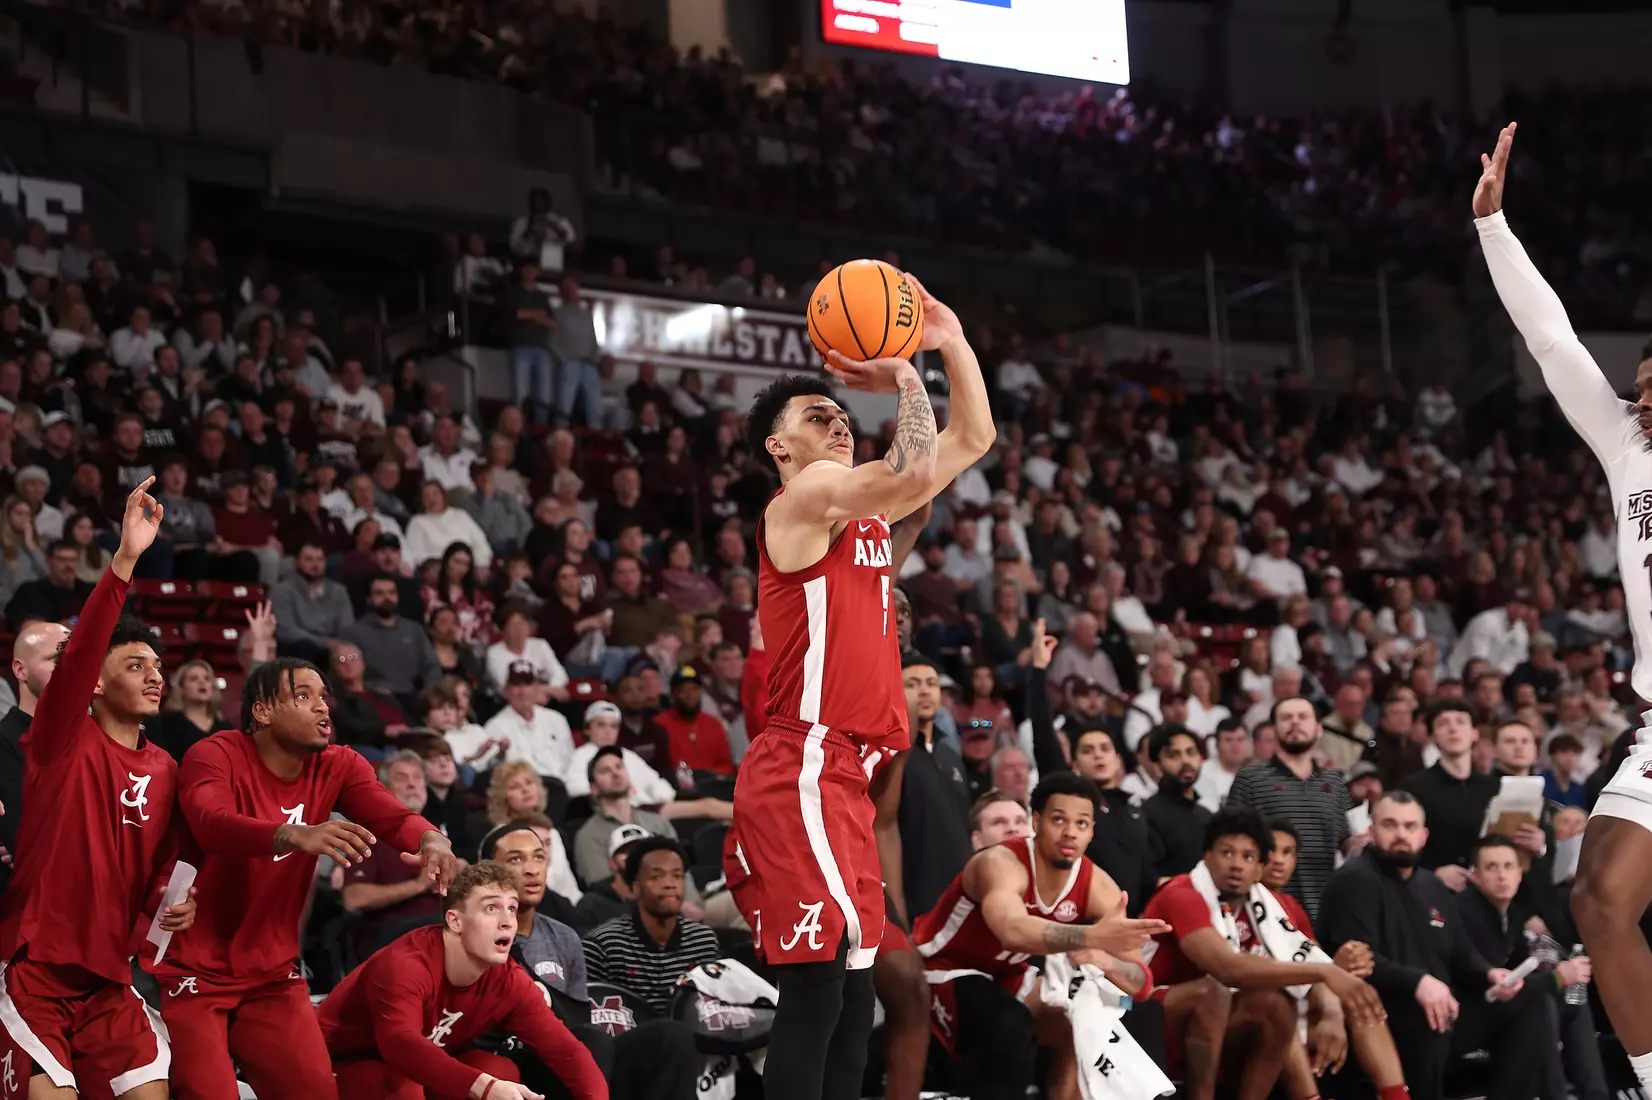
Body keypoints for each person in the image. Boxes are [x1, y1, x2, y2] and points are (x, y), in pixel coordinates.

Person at [725, 279, 994, 1100]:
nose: (836, 421)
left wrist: (947, 337)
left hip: (845, 773)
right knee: (819, 984)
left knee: (852, 989)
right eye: (816, 417)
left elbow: (974, 436)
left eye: (839, 414)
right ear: (779, 449)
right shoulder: (800, 499)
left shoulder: (864, 520)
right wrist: (907, 374)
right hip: (801, 762)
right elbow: (914, 467)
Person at [1476, 121, 1652, 1097]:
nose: (1639, 395)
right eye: (1637, 385)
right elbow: (1551, 341)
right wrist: (1495, 227)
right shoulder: (1629, 451)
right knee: (1597, 894)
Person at [157, 657, 461, 1100]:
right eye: (303, 696)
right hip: (193, 965)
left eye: (324, 697)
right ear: (262, 711)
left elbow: (391, 815)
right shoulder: (214, 753)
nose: (322, 708)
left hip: (272, 970)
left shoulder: (339, 765)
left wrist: (432, 839)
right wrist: (293, 834)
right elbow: (211, 822)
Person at [0, 478, 198, 1099]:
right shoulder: (61, 738)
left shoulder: (167, 767)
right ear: (91, 683)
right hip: (37, 969)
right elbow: (82, 651)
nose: (154, 676)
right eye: (134, 665)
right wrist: (125, 562)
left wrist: (173, 903)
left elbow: (161, 870)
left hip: (111, 979)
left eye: (158, 667)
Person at [912, 772, 1166, 1100]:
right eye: (1059, 820)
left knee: (1079, 1027)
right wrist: (1089, 936)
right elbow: (1011, 931)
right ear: (1036, 821)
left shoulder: (1098, 885)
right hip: (939, 966)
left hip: (1007, 974)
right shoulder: (1001, 862)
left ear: (1091, 831)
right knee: (1008, 1022)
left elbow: (1141, 983)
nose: (1070, 832)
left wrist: (1106, 961)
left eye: (1081, 823)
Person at [1318, 792, 1555, 1100]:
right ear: (1371, 831)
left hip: (1440, 1007)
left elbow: (1459, 952)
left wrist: (1489, 975)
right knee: (1425, 1018)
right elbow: (1357, 962)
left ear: (1423, 835)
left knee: (1533, 1004)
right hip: (1380, 1014)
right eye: (1390, 825)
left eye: (1410, 826)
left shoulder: (1431, 885)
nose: (1401, 834)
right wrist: (1419, 982)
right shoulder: (1353, 882)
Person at [1143, 809, 1388, 1100]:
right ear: (1207, 857)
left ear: (1260, 867)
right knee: (1214, 993)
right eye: (1227, 853)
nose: (1236, 865)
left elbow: (1305, 960)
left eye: (1247, 857)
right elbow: (1227, 968)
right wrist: (1328, 971)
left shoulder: (1264, 905)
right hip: (1150, 1012)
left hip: (1215, 1022)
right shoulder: (1183, 893)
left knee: (1278, 1003)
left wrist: (1332, 1007)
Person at [320, 861, 607, 1100]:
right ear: (455, 921)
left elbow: (566, 1051)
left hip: (420, 1068)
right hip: (337, 1062)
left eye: (511, 908)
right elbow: (399, 1044)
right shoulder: (406, 964)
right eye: (491, 908)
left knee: (499, 1069)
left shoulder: (509, 979)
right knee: (401, 1087)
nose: (507, 921)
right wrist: (485, 1087)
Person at [1456, 835, 1603, 1100]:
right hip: (1466, 1013)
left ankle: (1595, 1094)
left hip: (1499, 1007)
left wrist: (1562, 977)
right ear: (1475, 876)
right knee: (1541, 1004)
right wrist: (1558, 978)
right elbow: (1492, 987)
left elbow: (1523, 974)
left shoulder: (1510, 913)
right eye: (1492, 867)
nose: (1502, 875)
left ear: (1519, 874)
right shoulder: (1467, 912)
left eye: (1509, 867)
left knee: (1572, 998)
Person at [1224, 696, 1352, 920]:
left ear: (1318, 728)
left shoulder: (1335, 784)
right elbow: (1231, 841)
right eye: (1286, 717)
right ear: (1274, 730)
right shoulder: (1250, 779)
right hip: (1265, 908)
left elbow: (1344, 842)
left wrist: (1359, 842)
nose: (1295, 722)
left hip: (1324, 909)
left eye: (1302, 717)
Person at [583, 838, 721, 1014]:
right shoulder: (603, 945)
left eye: (677, 876)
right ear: (634, 888)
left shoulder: (703, 940)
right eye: (656, 877)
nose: (670, 884)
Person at [0, 620, 69, 892]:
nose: (71, 667)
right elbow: (25, 848)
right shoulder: (4, 741)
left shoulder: (96, 739)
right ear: (20, 669)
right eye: (57, 658)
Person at [573, 749, 679, 885]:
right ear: (593, 787)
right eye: (605, 771)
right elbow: (603, 888)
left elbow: (682, 873)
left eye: (619, 767)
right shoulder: (588, 836)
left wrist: (692, 902)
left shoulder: (657, 823)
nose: (616, 773)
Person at [1142, 723, 1213, 885]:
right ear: (1158, 764)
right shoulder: (1149, 814)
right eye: (1174, 755)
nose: (1186, 761)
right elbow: (1149, 878)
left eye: (1191, 752)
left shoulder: (1206, 815)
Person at [563, 701, 675, 804]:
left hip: (645, 811)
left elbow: (658, 784)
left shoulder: (629, 755)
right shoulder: (580, 756)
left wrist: (659, 798)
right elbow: (575, 789)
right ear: (588, 729)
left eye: (613, 726)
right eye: (601, 725)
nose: (608, 731)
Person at [483, 661, 576, 780]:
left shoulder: (557, 720)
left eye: (528, 684)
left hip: (559, 788)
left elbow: (569, 763)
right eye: (516, 685)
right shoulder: (494, 727)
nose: (523, 691)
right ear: (506, 691)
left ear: (537, 689)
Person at [649, 666, 734, 779]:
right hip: (674, 787)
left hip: (711, 787)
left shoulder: (714, 724)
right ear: (673, 694)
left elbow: (725, 764)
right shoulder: (659, 723)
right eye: (683, 691)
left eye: (694, 689)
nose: (690, 695)